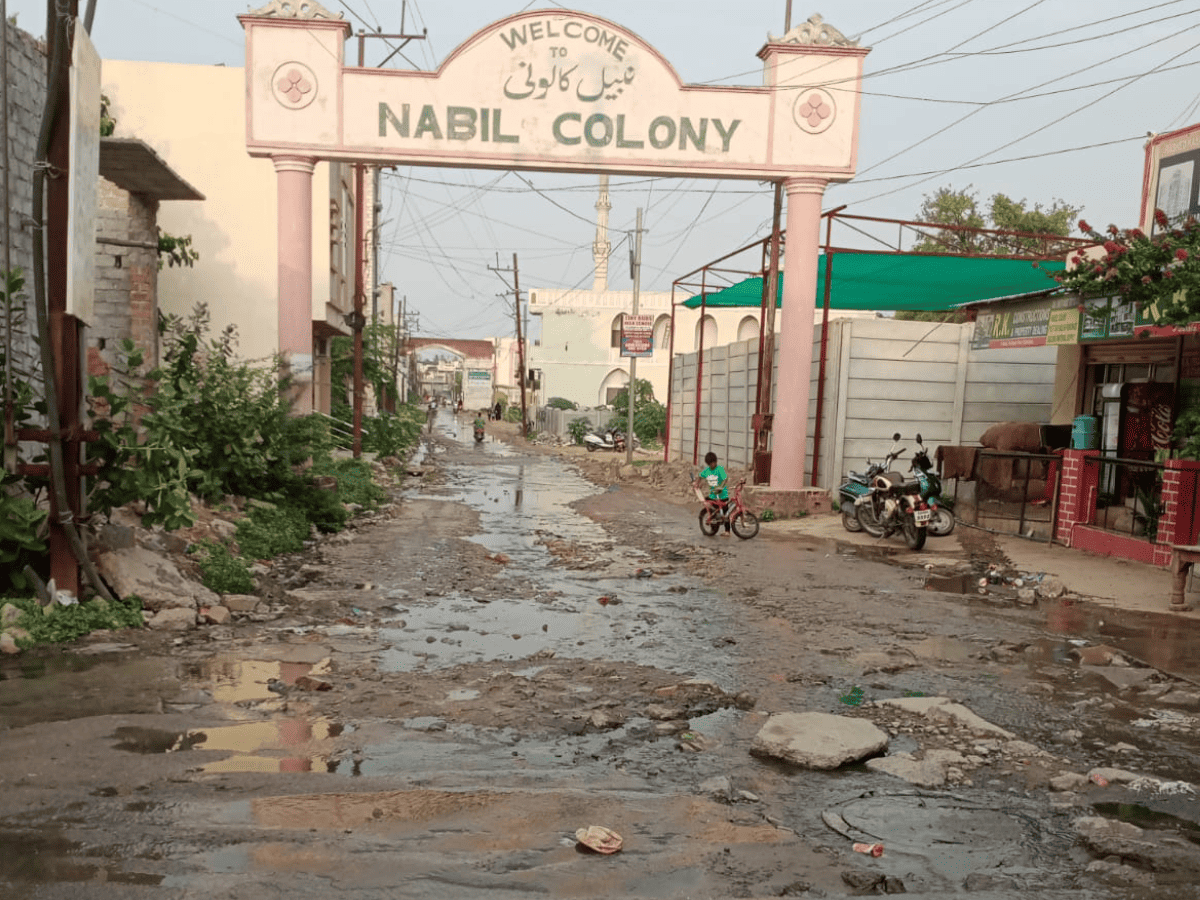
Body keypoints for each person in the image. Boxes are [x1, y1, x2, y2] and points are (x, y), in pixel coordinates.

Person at [698, 450, 730, 535]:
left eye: (714, 462)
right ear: (708, 464)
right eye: (711, 463)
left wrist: (721, 487)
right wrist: (697, 484)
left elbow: (725, 479)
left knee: (726, 514)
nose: (713, 464)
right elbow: (700, 476)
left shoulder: (720, 469)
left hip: (723, 495)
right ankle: (713, 529)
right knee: (712, 512)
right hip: (713, 496)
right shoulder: (706, 471)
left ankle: (727, 531)